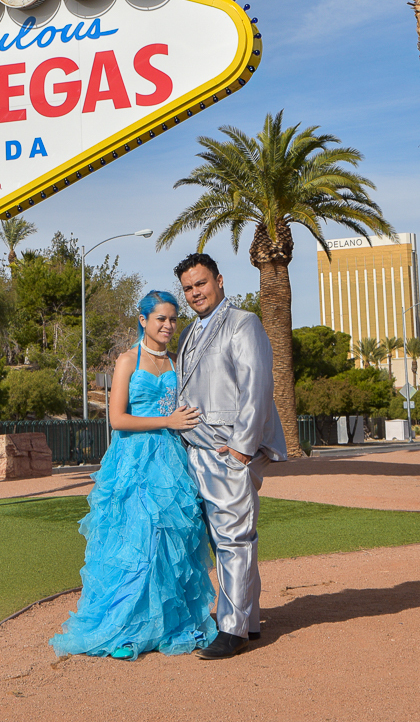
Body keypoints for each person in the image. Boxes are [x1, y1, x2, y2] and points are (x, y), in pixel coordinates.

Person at [50, 291, 218, 660]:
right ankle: (128, 626)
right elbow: (117, 419)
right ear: (143, 320)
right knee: (136, 540)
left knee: (170, 540)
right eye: (161, 319)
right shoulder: (128, 360)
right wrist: (167, 420)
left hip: (170, 460)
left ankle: (166, 623)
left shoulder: (175, 362)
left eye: (172, 319)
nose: (168, 325)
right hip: (133, 461)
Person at [175, 252, 287, 660]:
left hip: (228, 450)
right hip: (197, 450)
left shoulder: (244, 323)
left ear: (219, 281)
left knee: (233, 539)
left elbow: (257, 384)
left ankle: (232, 629)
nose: (194, 293)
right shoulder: (188, 333)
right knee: (224, 539)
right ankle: (249, 621)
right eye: (188, 288)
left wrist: (242, 447)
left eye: (201, 283)